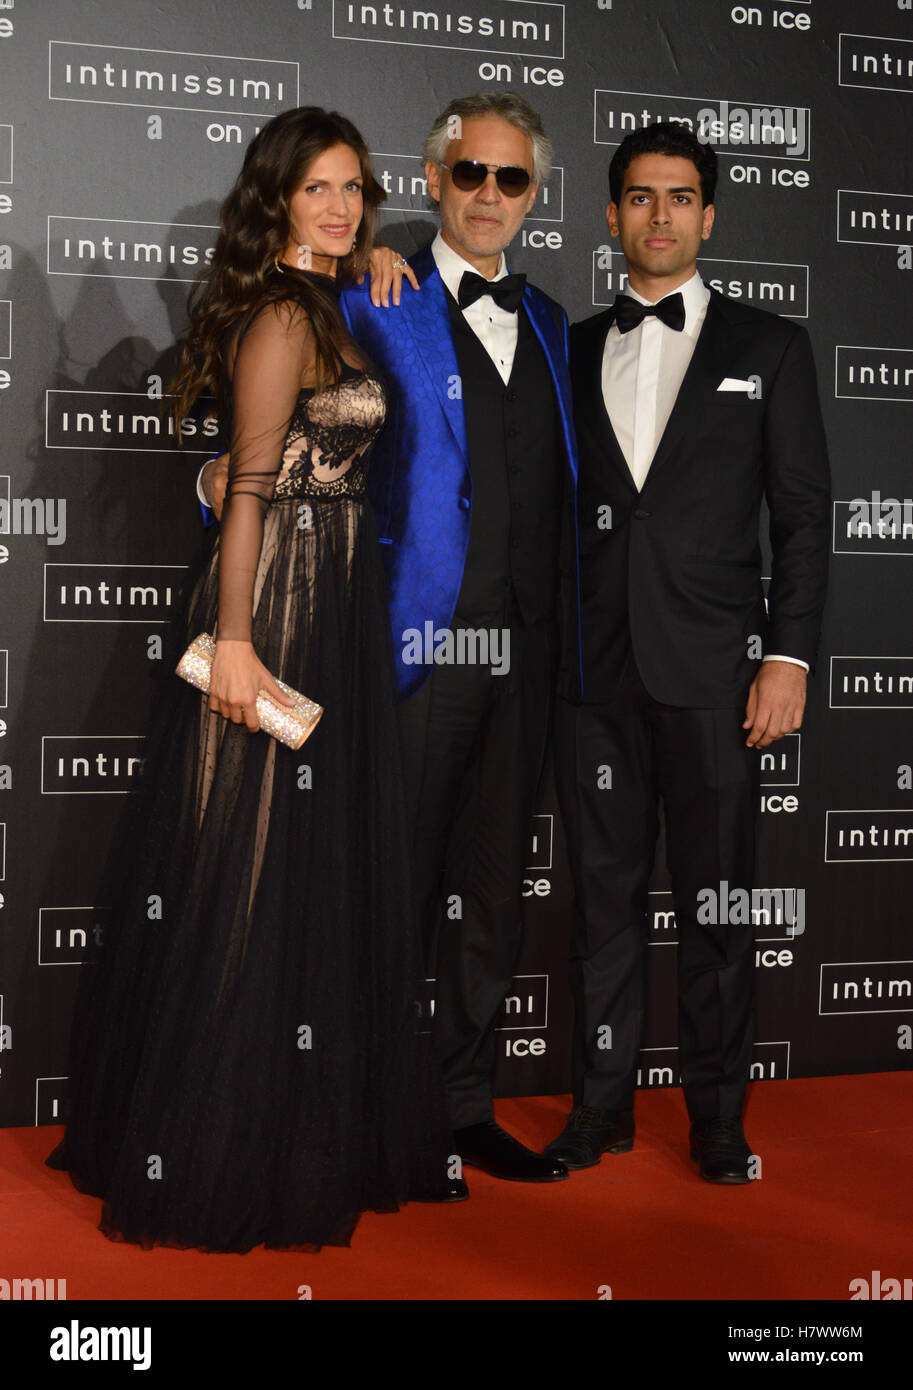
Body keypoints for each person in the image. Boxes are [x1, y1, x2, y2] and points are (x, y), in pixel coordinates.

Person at [46, 106, 462, 1253]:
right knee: (245, 867)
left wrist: (377, 262)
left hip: (331, 613)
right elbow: (248, 491)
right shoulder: (282, 317)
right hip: (270, 603)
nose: (338, 206)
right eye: (317, 188)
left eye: (353, 189)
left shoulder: (341, 302)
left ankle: (292, 1126)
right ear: (275, 197)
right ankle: (213, 1145)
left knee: (301, 880)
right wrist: (233, 638)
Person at [200, 92, 582, 1185]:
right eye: (472, 174)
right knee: (389, 885)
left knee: (491, 889)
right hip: (410, 641)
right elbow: (284, 438)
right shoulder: (377, 292)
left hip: (527, 654)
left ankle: (462, 1107)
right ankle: (364, 1109)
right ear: (433, 182)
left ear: (533, 196)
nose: (491, 196)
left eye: (513, 180)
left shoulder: (554, 323)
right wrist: (214, 481)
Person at [545, 122, 831, 1182]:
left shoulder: (770, 349)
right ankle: (599, 1110)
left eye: (678, 198)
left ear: (707, 217)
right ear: (611, 213)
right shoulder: (565, 348)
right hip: (591, 678)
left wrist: (787, 660)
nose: (657, 215)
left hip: (718, 677)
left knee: (717, 913)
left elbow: (802, 519)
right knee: (601, 908)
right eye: (637, 196)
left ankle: (717, 1119)